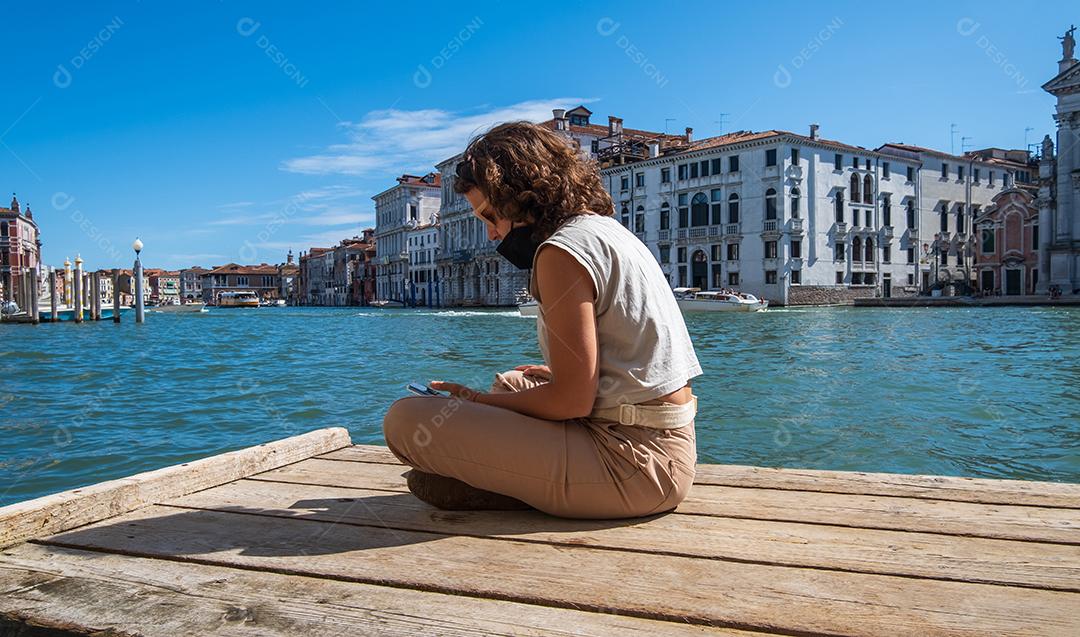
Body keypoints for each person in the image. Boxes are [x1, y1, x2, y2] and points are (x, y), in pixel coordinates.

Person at [382, 121, 703, 519]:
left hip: (635, 468)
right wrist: (554, 376)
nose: (492, 235)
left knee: (406, 420)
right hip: (665, 444)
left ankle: (519, 488)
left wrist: (476, 401)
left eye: (492, 215)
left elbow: (571, 401)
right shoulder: (604, 231)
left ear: (521, 197)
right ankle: (529, 482)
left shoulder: (558, 253)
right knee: (515, 381)